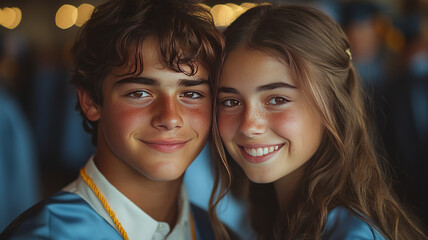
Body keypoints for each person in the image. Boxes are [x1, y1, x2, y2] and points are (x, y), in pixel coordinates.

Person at [0, 0, 226, 239]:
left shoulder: (215, 232)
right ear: (91, 102)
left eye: (191, 94)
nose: (170, 118)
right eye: (139, 93)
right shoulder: (46, 234)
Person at [209, 4, 428, 240]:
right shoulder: (278, 217)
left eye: (277, 99)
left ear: (331, 104)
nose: (249, 126)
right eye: (231, 102)